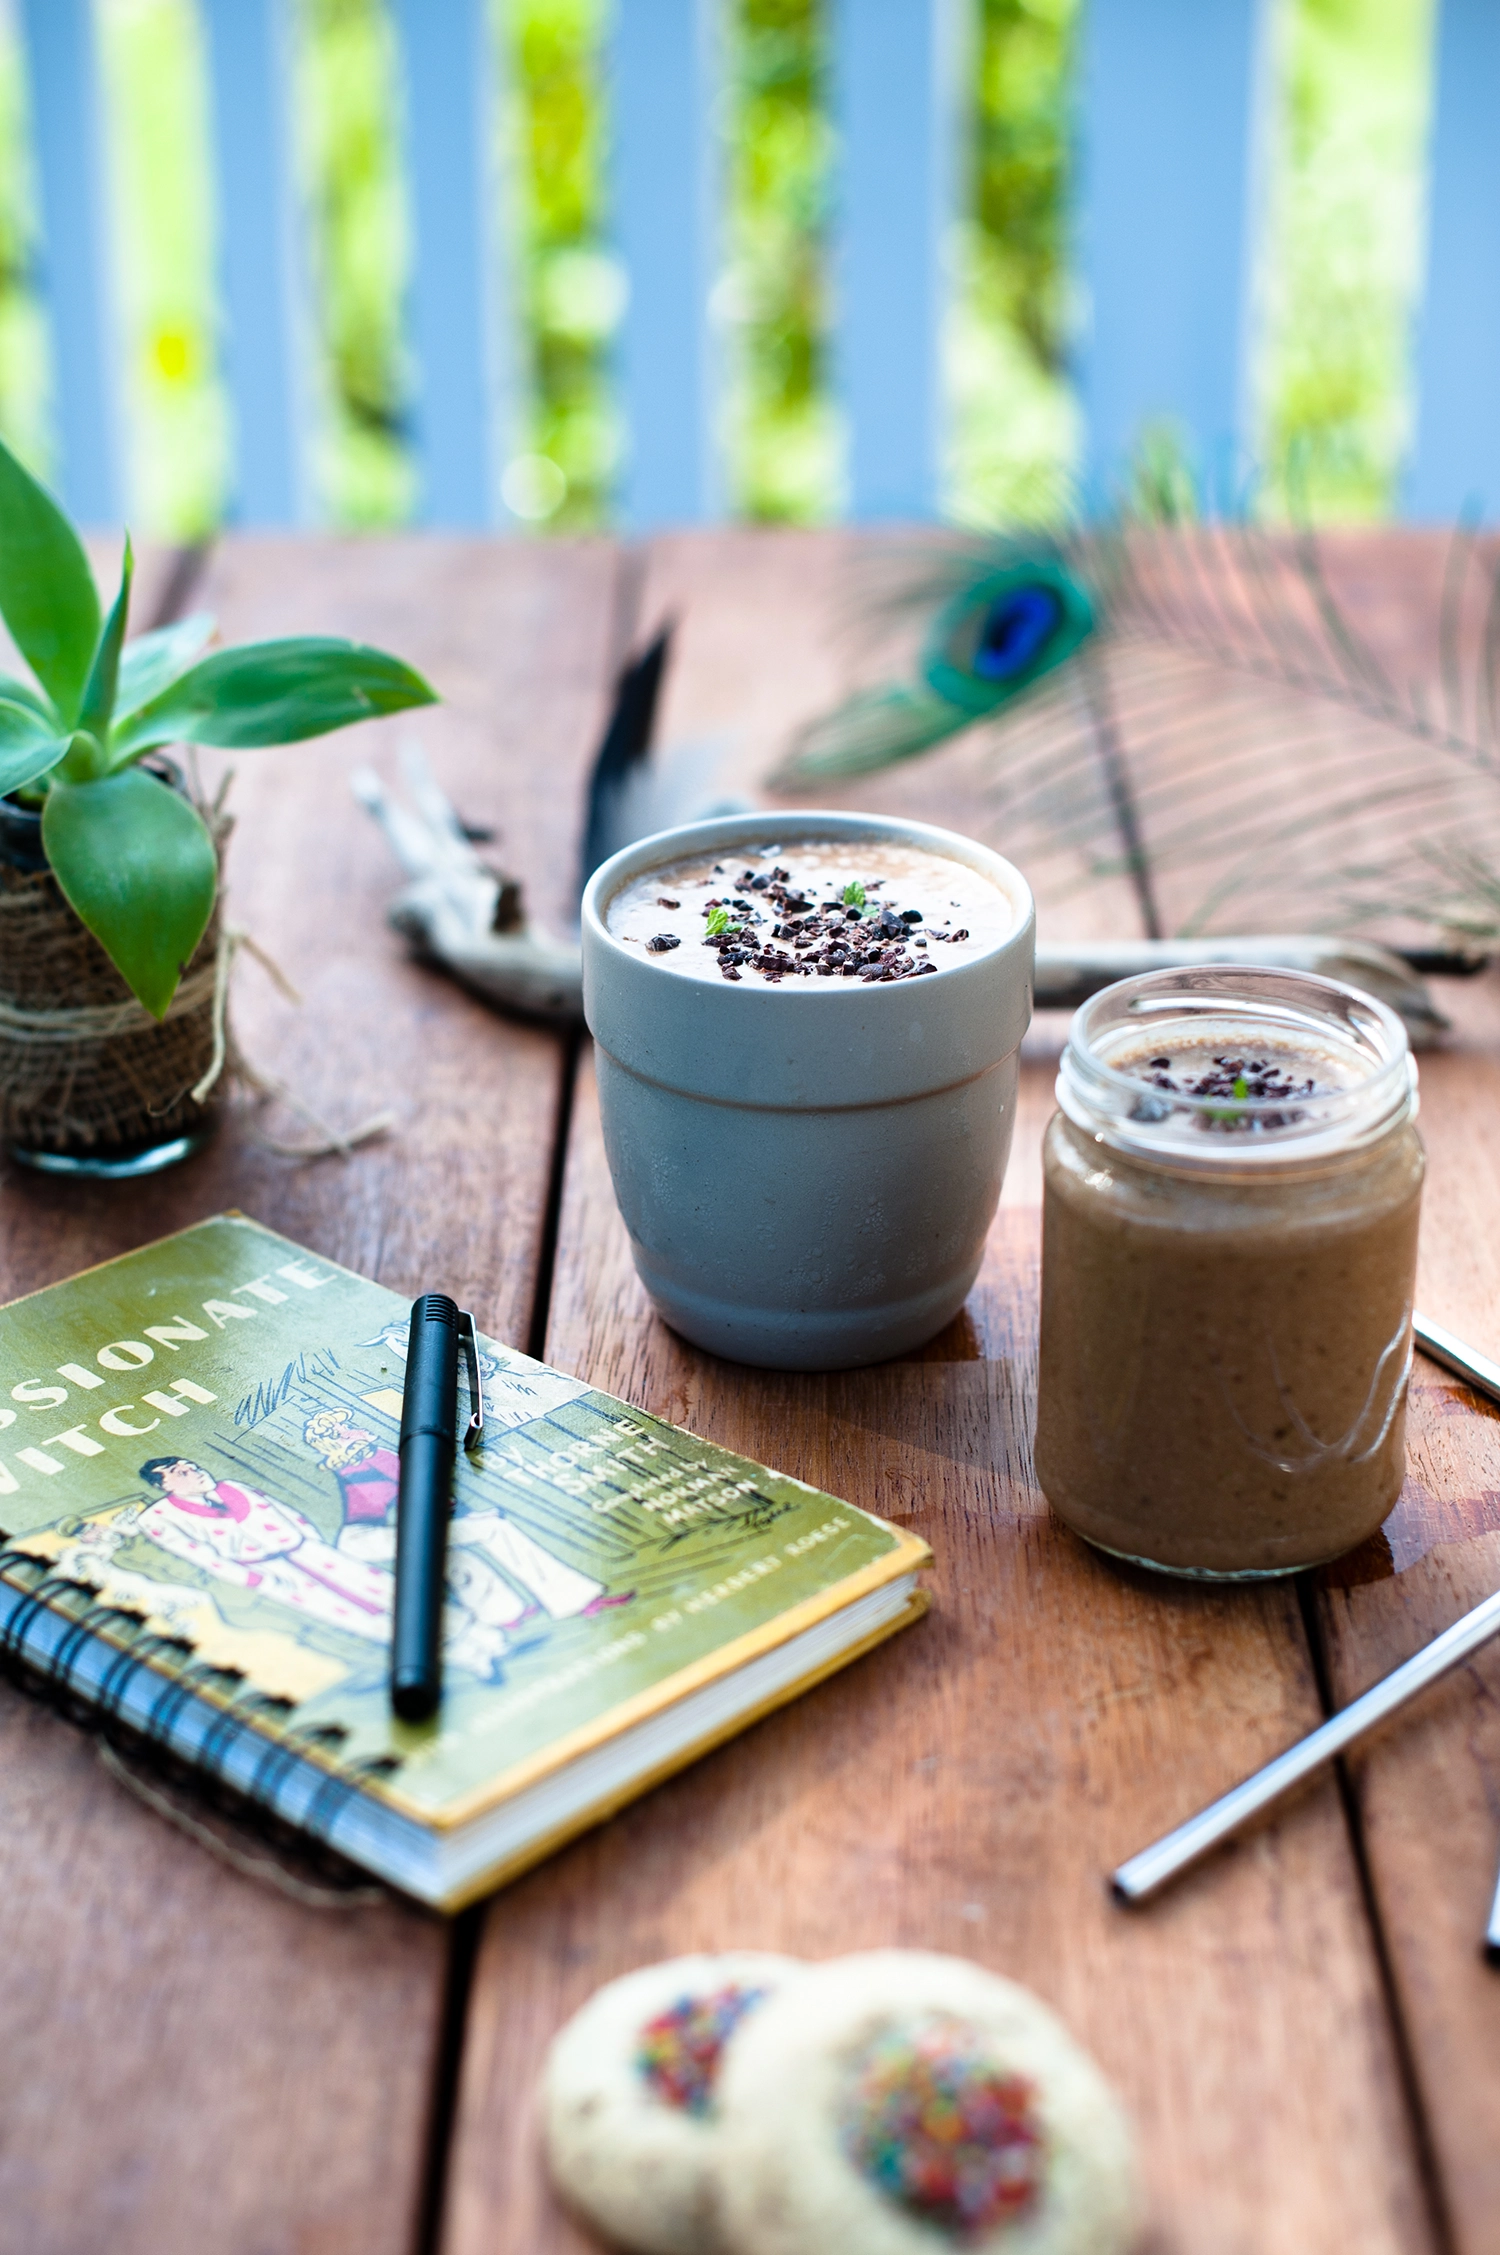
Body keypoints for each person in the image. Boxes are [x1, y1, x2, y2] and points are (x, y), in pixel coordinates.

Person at [303, 1401, 631, 1623]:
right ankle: (575, 1601)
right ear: (338, 1439)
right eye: (345, 1430)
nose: (356, 1430)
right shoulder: (364, 1461)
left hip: (385, 1530)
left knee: (461, 1548)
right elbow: (414, 1499)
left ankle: (505, 1615)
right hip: (365, 1538)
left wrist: (464, 1514)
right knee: (491, 1530)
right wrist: (467, 1515)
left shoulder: (375, 1455)